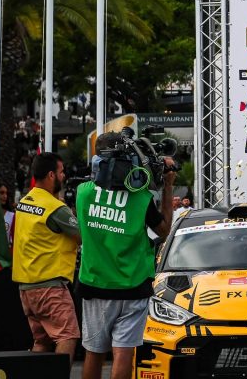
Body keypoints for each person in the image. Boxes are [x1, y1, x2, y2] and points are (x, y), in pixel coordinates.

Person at [77, 133, 176, 379]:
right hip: (133, 285)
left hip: (95, 283)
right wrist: (168, 186)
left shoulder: (83, 193)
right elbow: (163, 231)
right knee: (123, 353)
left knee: (93, 352)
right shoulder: (140, 198)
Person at [11, 153, 81, 364]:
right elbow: (81, 236)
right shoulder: (55, 208)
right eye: (61, 172)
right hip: (50, 287)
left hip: (26, 287)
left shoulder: (25, 201)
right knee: (67, 336)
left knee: (41, 342)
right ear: (51, 175)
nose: (64, 176)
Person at [0, 183, 14, 270]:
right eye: (1, 193)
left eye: (6, 193)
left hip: (6, 260)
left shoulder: (12, 216)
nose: (5, 196)